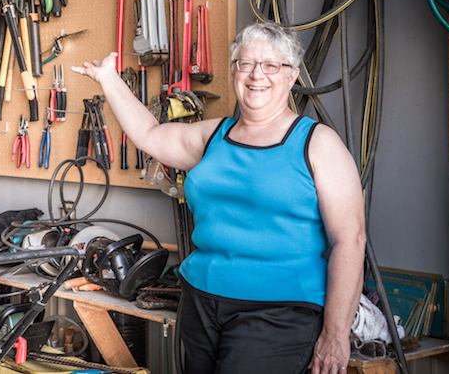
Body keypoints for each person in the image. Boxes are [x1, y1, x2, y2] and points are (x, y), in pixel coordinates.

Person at [71, 21, 366, 374]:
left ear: (291, 76)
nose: (257, 75)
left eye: (271, 65)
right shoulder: (213, 136)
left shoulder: (317, 144)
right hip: (201, 303)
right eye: (246, 63)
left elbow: (350, 240)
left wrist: (336, 333)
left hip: (279, 312)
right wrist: (109, 79)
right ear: (233, 71)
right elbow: (149, 134)